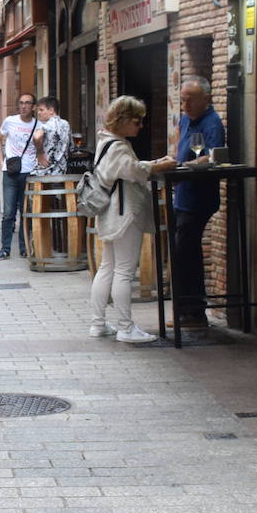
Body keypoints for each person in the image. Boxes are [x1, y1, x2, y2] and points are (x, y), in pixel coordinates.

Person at [89, 95, 177, 344]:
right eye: (137, 121)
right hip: (124, 213)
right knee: (124, 272)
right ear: (124, 119)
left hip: (111, 214)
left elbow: (128, 167)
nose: (140, 126)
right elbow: (133, 170)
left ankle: (98, 323)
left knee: (108, 268)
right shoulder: (117, 145)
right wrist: (158, 166)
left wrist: (151, 164)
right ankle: (126, 328)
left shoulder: (106, 141)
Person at [172, 77, 227, 327]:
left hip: (199, 197)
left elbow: (214, 156)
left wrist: (191, 164)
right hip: (182, 194)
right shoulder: (185, 119)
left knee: (186, 252)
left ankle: (194, 312)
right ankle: (186, 310)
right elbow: (180, 148)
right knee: (184, 252)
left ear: (206, 98)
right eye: (183, 99)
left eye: (190, 99)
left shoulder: (212, 122)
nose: (185, 104)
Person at [0, 92, 38, 261]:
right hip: (11, 172)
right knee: (8, 213)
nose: (24, 106)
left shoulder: (38, 124)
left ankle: (24, 248)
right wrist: (0, 160)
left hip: (29, 172)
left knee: (25, 212)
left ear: (33, 107)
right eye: (21, 103)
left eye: (27, 103)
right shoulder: (10, 121)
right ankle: (5, 249)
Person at [31, 96, 71, 177]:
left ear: (51, 110)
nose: (38, 113)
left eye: (41, 110)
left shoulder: (46, 125)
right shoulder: (66, 124)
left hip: (43, 171)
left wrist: (40, 152)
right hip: (61, 171)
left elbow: (36, 136)